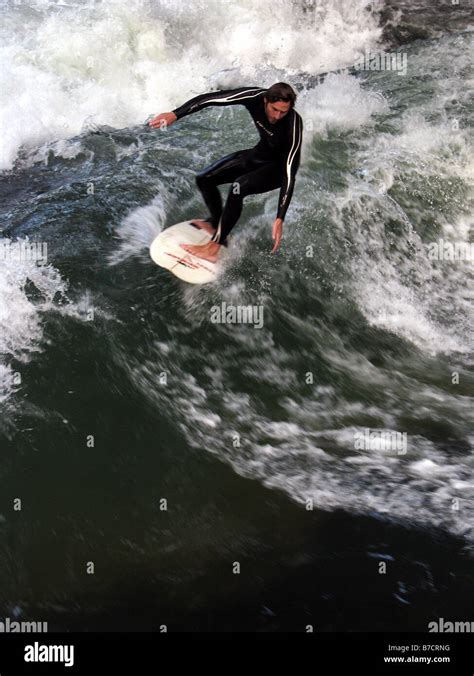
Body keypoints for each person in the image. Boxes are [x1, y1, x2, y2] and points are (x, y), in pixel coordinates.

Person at [148, 82, 303, 262]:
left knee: (239, 187)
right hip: (259, 155)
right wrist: (175, 114)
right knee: (204, 178)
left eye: (283, 112)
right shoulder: (253, 97)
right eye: (275, 109)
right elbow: (210, 99)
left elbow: (290, 171)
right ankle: (216, 223)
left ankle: (215, 246)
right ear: (266, 100)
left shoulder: (293, 124)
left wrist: (279, 217)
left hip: (278, 170)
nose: (277, 116)